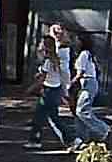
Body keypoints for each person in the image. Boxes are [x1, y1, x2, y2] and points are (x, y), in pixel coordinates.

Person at [30, 23, 77, 151]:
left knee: (41, 116)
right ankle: (69, 139)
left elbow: (43, 77)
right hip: (54, 89)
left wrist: (31, 89)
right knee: (51, 117)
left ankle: (36, 140)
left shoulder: (49, 61)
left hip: (48, 91)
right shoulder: (56, 58)